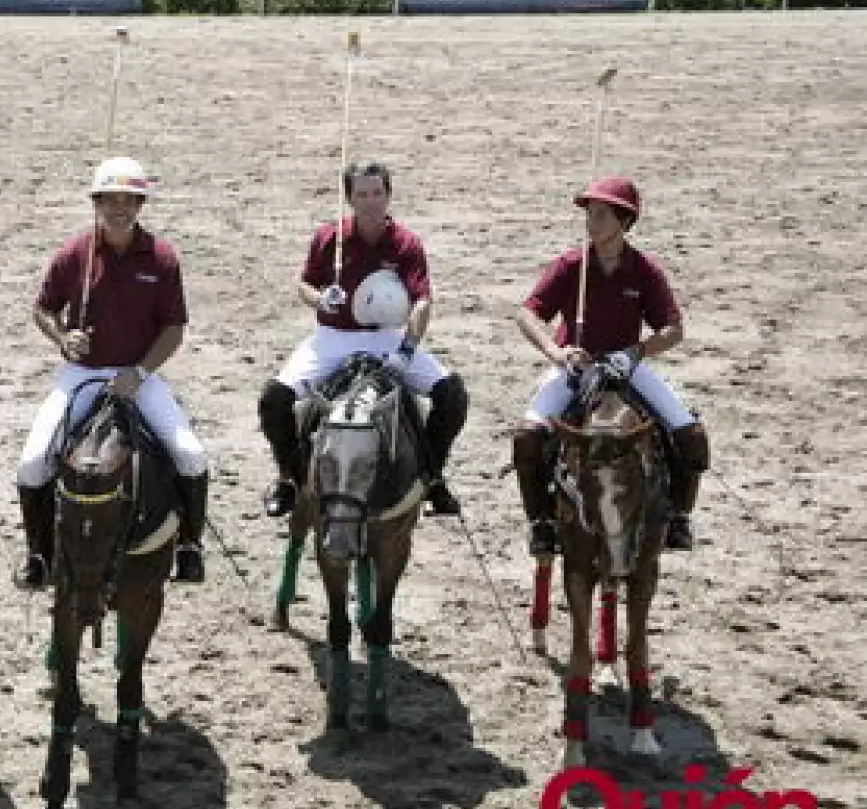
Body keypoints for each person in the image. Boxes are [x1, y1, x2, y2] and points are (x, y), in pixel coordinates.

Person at [15, 156, 209, 588]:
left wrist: (139, 373)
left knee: (191, 455)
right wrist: (63, 339)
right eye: (111, 199)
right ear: (97, 202)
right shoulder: (74, 255)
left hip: (138, 376)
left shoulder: (161, 258)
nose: (119, 208)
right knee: (32, 462)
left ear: (140, 204)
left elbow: (173, 329)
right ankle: (38, 554)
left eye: (129, 200)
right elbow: (42, 309)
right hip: (82, 375)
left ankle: (190, 547)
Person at [257, 162, 469, 519]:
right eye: (362, 194)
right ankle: (288, 479)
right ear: (350, 198)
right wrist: (320, 299)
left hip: (387, 338)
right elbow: (304, 284)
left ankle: (432, 477)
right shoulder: (329, 238)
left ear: (389, 194)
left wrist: (407, 348)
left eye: (377, 193)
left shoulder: (406, 244)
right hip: (333, 337)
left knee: (452, 395)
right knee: (274, 398)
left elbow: (422, 300)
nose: (371, 202)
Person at [513, 175, 708, 556]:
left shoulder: (644, 269)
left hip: (626, 366)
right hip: (576, 367)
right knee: (526, 439)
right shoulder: (572, 265)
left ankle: (680, 518)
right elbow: (527, 314)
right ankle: (540, 523)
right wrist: (558, 353)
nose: (591, 221)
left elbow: (673, 329)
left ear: (624, 220)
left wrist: (636, 352)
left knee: (691, 436)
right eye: (590, 213)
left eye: (601, 214)